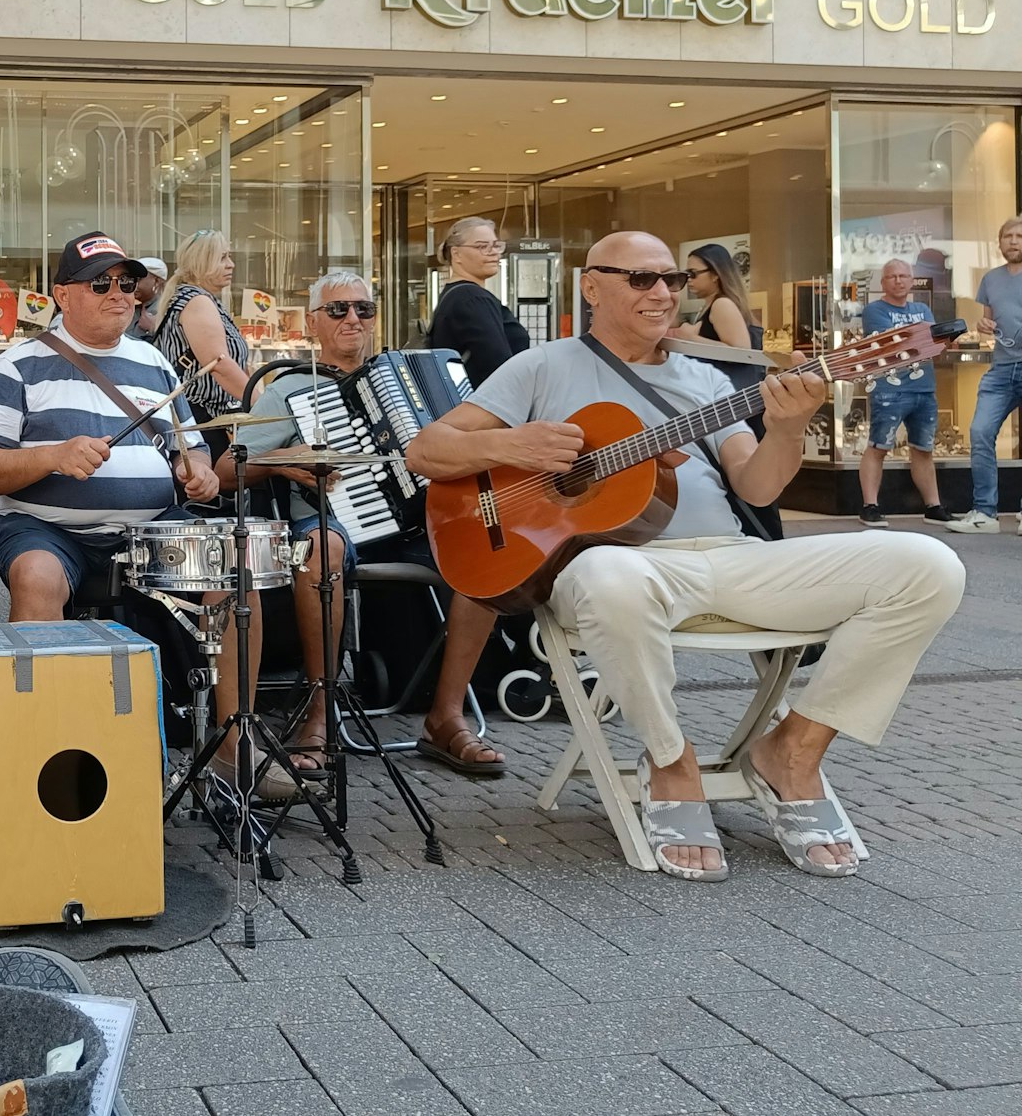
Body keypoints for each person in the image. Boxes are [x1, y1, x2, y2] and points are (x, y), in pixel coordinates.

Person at [406, 231, 963, 883]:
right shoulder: (542, 367)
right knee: (612, 572)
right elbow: (427, 451)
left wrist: (785, 427)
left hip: (730, 558)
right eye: (641, 279)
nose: (663, 292)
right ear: (592, 287)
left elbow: (755, 485)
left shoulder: (703, 376)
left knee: (929, 566)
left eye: (671, 278)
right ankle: (671, 760)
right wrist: (515, 447)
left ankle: (793, 749)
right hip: (617, 568)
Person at [0, 232, 291, 793]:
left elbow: (194, 452)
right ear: (63, 294)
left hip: (148, 527)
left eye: (127, 282)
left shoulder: (155, 362)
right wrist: (52, 456)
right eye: (101, 282)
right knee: (36, 576)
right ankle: (45, 754)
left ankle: (235, 747)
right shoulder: (18, 365)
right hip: (46, 528)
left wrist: (199, 475)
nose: (119, 293)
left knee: (237, 573)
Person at [223, 272, 507, 777]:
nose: (353, 319)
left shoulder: (410, 375)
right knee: (320, 549)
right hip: (334, 524)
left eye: (364, 309)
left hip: (420, 525)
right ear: (312, 323)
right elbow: (227, 470)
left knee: (483, 554)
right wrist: (284, 458)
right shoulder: (290, 388)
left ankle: (445, 717)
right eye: (337, 311)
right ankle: (320, 712)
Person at [669, 242, 784, 540]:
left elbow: (740, 350)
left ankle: (764, 543)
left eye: (693, 274)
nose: (688, 281)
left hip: (737, 405)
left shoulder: (721, 305)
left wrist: (688, 337)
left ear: (716, 274)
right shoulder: (715, 305)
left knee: (746, 484)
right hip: (735, 405)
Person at [857, 259, 954, 527]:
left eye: (903, 276)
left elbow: (931, 344)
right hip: (890, 389)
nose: (898, 281)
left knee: (923, 449)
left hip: (925, 388)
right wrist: (920, 340)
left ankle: (933, 506)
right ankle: (869, 506)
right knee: (879, 446)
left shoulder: (922, 308)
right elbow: (890, 345)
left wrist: (922, 341)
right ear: (883, 283)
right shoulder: (873, 310)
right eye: (892, 276)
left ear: (912, 281)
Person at [948, 216, 1022, 534]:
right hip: (1001, 368)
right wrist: (983, 326)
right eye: (1008, 236)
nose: (1014, 241)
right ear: (999, 242)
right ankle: (985, 513)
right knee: (979, 432)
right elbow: (986, 321)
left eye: (1020, 236)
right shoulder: (991, 279)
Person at [153, 229, 251, 424]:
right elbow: (219, 363)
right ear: (202, 262)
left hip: (202, 415)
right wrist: (262, 403)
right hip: (202, 417)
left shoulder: (190, 298)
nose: (231, 265)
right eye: (222, 258)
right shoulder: (197, 301)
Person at [426, 217, 528, 388]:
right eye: (482, 246)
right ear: (456, 253)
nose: (493, 252)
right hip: (484, 406)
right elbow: (497, 365)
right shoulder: (471, 298)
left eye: (496, 245)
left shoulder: (455, 295)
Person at [129, 256, 166, 341]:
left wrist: (153, 329)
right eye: (132, 279)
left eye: (138, 279)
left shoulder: (168, 310)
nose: (133, 284)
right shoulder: (132, 309)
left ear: (156, 281)